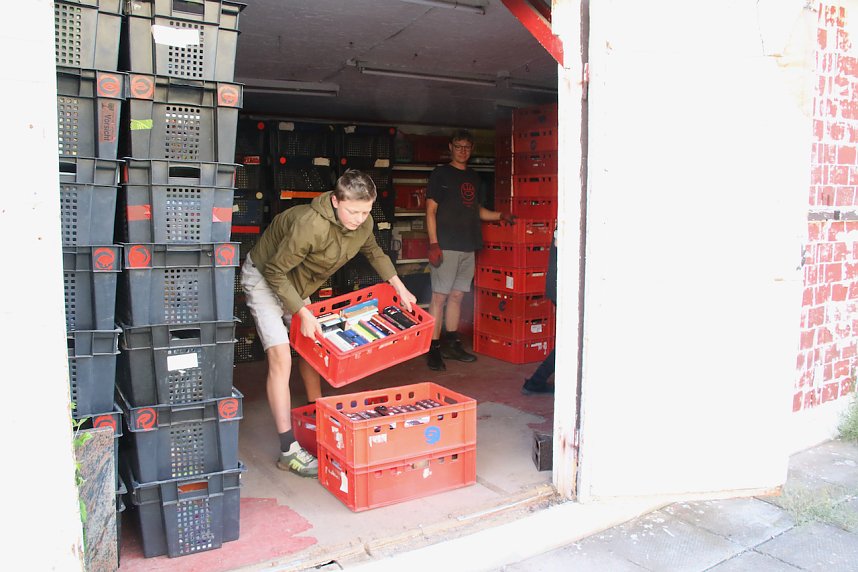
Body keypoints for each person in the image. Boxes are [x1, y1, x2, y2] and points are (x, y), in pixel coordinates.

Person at [240, 170, 416, 476]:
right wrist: (302, 313)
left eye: (365, 211)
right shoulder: (311, 226)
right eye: (352, 211)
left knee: (313, 345)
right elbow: (275, 273)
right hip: (266, 277)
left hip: (298, 284)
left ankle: (318, 411)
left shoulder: (364, 222)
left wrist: (398, 286)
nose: (359, 218)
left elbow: (373, 250)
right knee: (281, 355)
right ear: (335, 201)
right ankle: (288, 450)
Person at [425, 129, 515, 371]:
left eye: (467, 147)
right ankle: (433, 349)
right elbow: (430, 211)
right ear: (451, 147)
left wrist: (500, 215)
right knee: (439, 298)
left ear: (471, 150)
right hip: (446, 246)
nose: (462, 150)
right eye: (458, 146)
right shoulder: (440, 174)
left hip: (468, 245)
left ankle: (452, 343)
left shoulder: (475, 177)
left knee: (457, 296)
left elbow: (477, 210)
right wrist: (434, 243)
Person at [522, 230, 557, 394]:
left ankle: (536, 382)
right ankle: (536, 382)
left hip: (557, 284)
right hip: (563, 285)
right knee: (572, 341)